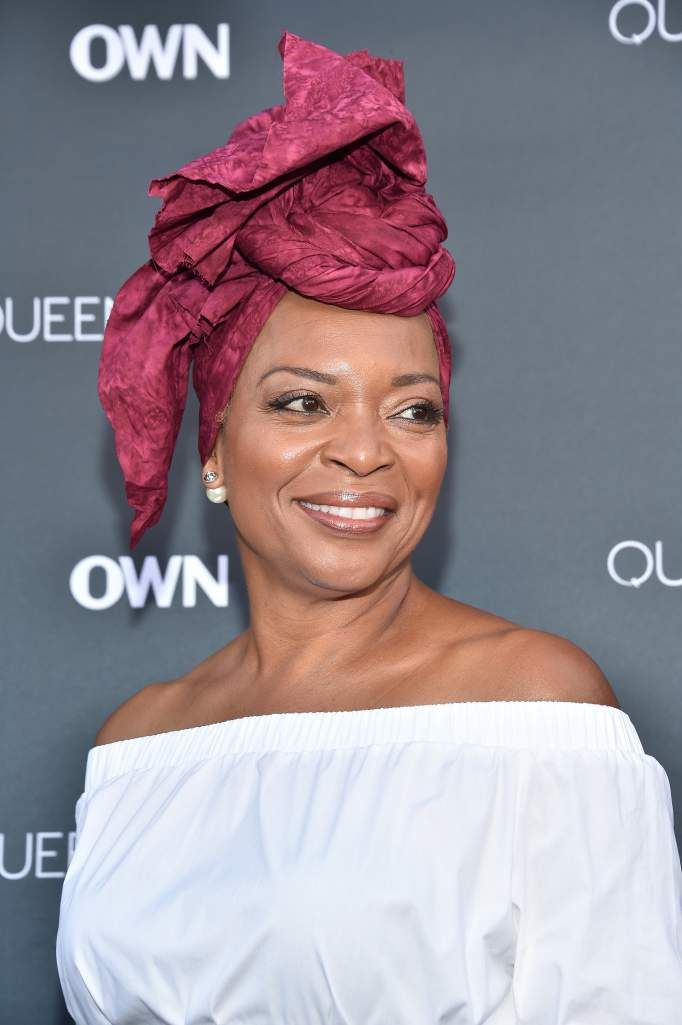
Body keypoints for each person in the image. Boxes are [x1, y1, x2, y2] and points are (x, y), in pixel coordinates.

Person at [55, 30, 682, 1025]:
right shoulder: (141, 740)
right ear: (213, 448)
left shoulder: (532, 706)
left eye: (412, 409)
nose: (364, 450)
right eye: (303, 402)